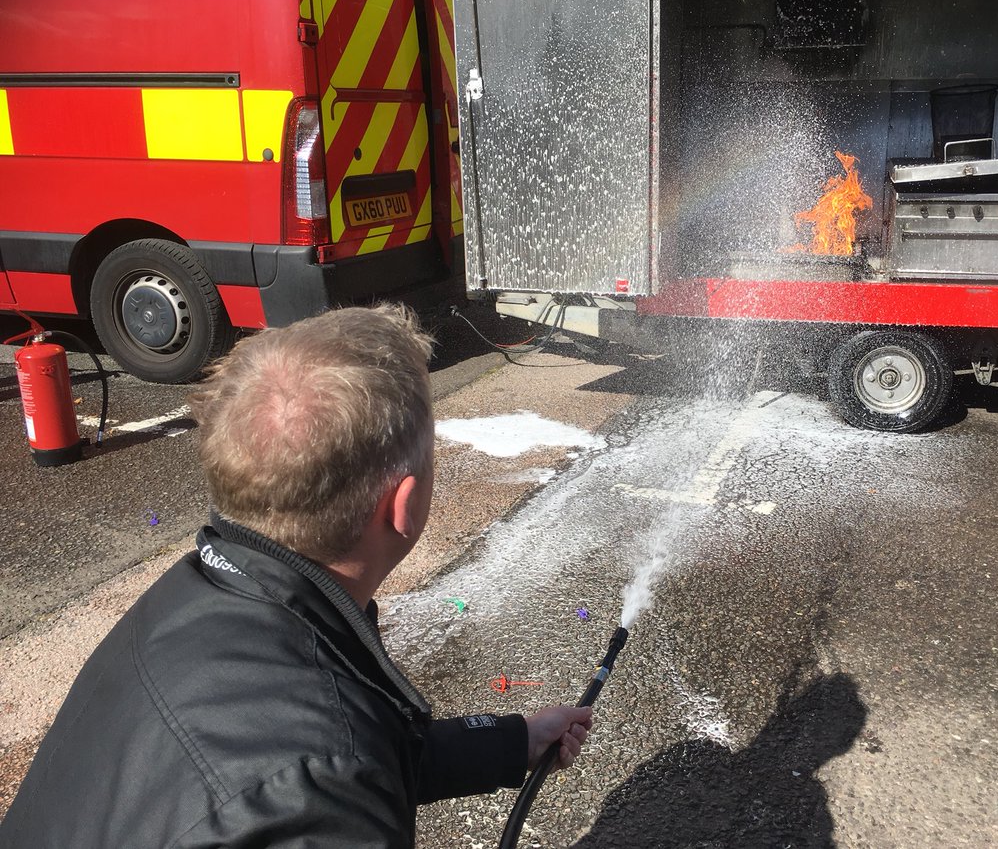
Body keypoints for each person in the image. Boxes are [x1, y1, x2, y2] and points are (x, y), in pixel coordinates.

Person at [0, 304, 593, 847]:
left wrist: (514, 741)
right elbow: (326, 764)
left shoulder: (199, 595)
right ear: (404, 506)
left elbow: (346, 751)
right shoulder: (319, 802)